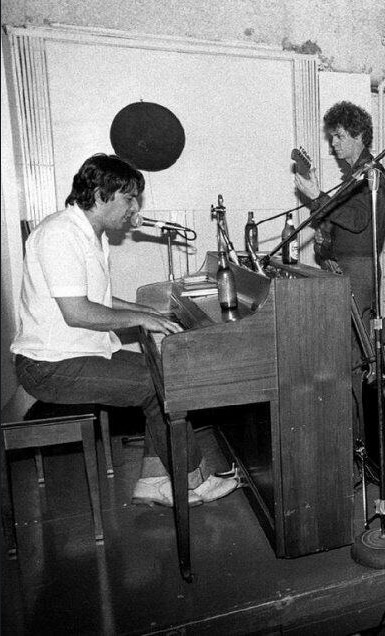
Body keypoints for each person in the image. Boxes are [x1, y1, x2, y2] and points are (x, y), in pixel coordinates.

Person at [11, 154, 239, 507]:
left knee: (163, 372)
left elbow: (97, 298)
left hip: (75, 353)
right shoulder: (59, 234)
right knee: (156, 384)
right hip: (48, 366)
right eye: (129, 198)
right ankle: (193, 481)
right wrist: (140, 320)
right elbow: (78, 312)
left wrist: (144, 311)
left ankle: (153, 481)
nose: (135, 208)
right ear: (100, 195)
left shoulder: (89, 233)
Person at [294, 101, 385, 316]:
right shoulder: (355, 175)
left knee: (355, 333)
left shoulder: (371, 174)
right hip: (347, 264)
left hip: (359, 268)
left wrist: (318, 196)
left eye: (339, 136)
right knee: (344, 331)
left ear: (359, 136)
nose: (333, 143)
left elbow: (357, 220)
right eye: (332, 137)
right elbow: (343, 217)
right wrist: (325, 231)